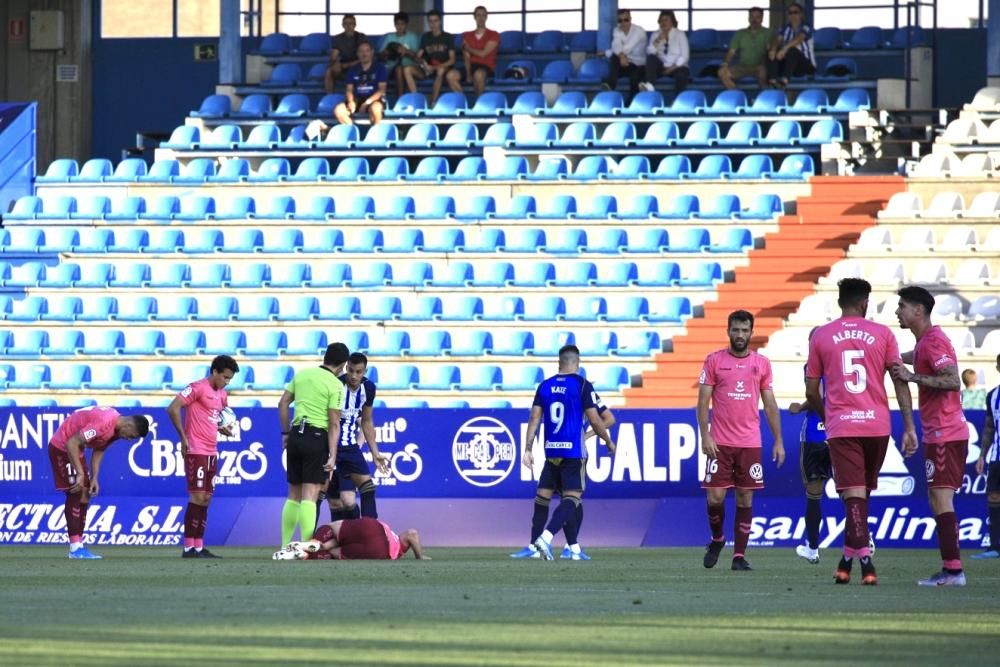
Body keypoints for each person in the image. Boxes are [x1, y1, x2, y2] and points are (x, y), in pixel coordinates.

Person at [805, 278, 917, 586]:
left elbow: (811, 390)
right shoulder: (883, 334)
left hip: (844, 426)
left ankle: (863, 559)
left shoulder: (822, 336)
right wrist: (908, 425)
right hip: (878, 425)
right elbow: (899, 380)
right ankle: (849, 562)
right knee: (862, 494)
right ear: (865, 302)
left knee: (853, 495)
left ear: (840, 301)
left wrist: (828, 415)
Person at [890, 285, 970, 586]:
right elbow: (918, 355)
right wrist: (893, 356)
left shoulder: (934, 341)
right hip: (940, 433)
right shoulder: (926, 342)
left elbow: (952, 379)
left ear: (918, 311)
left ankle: (953, 571)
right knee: (938, 498)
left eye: (902, 306)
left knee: (941, 497)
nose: (898, 311)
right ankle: (951, 568)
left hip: (946, 433)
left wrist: (913, 377)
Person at [698, 310, 785, 571]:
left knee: (745, 498)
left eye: (745, 330)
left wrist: (778, 440)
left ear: (751, 332)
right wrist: (705, 435)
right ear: (728, 331)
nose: (739, 335)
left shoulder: (762, 364)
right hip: (720, 443)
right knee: (714, 497)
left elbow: (770, 405)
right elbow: (702, 402)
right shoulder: (714, 361)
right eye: (735, 330)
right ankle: (717, 539)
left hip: (750, 443)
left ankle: (739, 555)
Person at [514, 344, 616, 561]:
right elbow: (598, 419)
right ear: (577, 364)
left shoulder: (545, 385)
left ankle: (572, 547)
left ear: (559, 362)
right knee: (572, 498)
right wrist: (607, 441)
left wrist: (528, 449)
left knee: (543, 496)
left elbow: (534, 419)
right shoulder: (582, 385)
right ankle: (545, 539)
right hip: (573, 452)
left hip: (551, 451)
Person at [47, 407, 149, 559]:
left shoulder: (115, 431)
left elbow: (99, 450)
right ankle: (75, 548)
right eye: (131, 436)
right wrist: (81, 473)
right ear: (129, 425)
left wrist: (95, 477)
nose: (129, 439)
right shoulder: (104, 423)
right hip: (62, 447)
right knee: (77, 491)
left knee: (85, 496)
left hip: (75, 449)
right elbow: (72, 442)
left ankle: (79, 546)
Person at [166, 355, 239, 559]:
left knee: (206, 498)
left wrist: (222, 429)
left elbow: (216, 419)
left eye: (229, 379)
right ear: (214, 371)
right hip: (196, 449)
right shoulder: (197, 387)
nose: (226, 382)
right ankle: (188, 547)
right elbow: (172, 408)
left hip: (211, 450)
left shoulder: (222, 395)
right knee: (197, 496)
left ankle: (198, 546)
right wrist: (183, 437)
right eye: (224, 377)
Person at [277, 343, 347, 546]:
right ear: (342, 365)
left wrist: (285, 433)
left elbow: (282, 403)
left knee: (293, 494)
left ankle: (284, 545)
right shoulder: (335, 385)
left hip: (296, 435)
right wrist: (332, 455)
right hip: (316, 437)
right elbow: (334, 422)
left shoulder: (302, 374)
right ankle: (305, 545)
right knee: (311, 494)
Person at [326, 352, 390, 522]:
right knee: (334, 503)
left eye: (358, 372)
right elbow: (329, 421)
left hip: (349, 447)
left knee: (362, 491)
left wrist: (375, 452)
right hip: (328, 447)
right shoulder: (335, 385)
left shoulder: (368, 388)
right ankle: (338, 540)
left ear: (364, 371)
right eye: (351, 370)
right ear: (346, 368)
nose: (354, 376)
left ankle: (370, 532)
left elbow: (367, 421)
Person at [788, 328, 830, 565]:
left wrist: (800, 408)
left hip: (816, 434)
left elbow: (817, 395)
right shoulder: (839, 362)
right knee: (851, 493)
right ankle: (864, 539)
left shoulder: (812, 364)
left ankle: (812, 547)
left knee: (814, 493)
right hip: (842, 432)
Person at [273, 517, 428, 560]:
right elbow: (412, 534)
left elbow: (411, 533)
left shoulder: (391, 533)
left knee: (331, 529)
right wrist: (420, 557)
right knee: (331, 551)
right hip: (378, 551)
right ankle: (301, 553)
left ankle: (306, 545)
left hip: (372, 526)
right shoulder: (397, 549)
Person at [972, 354, 1000, 559]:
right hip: (997, 457)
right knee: (993, 496)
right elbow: (989, 427)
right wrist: (982, 454)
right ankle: (995, 546)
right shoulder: (993, 395)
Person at [446, 5, 500, 98]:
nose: (481, 18)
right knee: (450, 75)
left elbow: (483, 54)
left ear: (486, 17)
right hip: (471, 66)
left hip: (486, 67)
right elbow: (466, 55)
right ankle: (464, 102)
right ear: (474, 17)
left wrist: (469, 48)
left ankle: (478, 104)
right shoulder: (467, 35)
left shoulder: (494, 34)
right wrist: (468, 74)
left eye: (483, 15)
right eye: (478, 15)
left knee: (478, 74)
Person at [404, 10, 456, 105]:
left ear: (440, 21)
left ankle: (433, 102)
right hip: (428, 68)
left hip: (443, 69)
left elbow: (452, 60)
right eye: (430, 21)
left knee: (440, 70)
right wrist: (423, 64)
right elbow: (418, 56)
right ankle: (416, 100)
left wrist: (435, 67)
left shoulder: (447, 37)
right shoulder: (425, 37)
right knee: (407, 69)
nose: (433, 24)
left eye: (435, 21)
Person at [333, 41, 387, 126]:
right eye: (361, 51)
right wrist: (350, 102)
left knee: (375, 109)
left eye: (367, 51)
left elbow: (381, 90)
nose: (364, 54)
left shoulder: (380, 68)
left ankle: (374, 134)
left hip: (373, 100)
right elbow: (349, 89)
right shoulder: (352, 70)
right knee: (338, 110)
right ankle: (352, 131)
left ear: (372, 52)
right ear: (357, 53)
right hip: (356, 100)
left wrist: (367, 103)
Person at [718, 6, 769, 89]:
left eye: (757, 17)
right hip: (743, 67)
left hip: (760, 67)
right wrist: (725, 63)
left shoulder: (768, 32)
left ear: (762, 18)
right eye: (751, 17)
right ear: (748, 18)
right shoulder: (740, 33)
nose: (754, 20)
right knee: (722, 72)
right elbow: (731, 52)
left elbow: (771, 49)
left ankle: (765, 99)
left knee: (763, 72)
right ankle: (738, 96)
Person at [767, 2, 816, 88]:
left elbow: (798, 39)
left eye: (795, 12)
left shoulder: (806, 27)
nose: (792, 15)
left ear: (801, 14)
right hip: (789, 65)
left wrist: (784, 49)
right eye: (790, 13)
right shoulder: (784, 28)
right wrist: (773, 49)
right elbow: (777, 40)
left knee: (792, 50)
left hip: (805, 65)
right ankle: (773, 80)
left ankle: (784, 80)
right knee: (771, 52)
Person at [639, 10, 689, 93]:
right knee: (651, 59)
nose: (663, 23)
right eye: (661, 20)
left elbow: (685, 56)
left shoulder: (680, 34)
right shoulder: (656, 34)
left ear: (672, 22)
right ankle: (649, 86)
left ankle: (678, 100)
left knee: (682, 74)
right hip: (662, 67)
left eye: (666, 20)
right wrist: (658, 40)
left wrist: (672, 68)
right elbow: (650, 52)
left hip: (676, 67)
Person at [602, 8, 647, 99]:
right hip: (625, 63)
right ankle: (610, 85)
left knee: (635, 78)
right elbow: (616, 46)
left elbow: (629, 47)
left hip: (639, 64)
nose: (623, 23)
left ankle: (632, 102)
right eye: (620, 21)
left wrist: (620, 55)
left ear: (630, 19)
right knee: (614, 57)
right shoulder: (617, 30)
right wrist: (621, 56)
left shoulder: (639, 31)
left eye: (626, 20)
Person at [379, 11, 420, 97]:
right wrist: (387, 52)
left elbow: (417, 58)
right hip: (391, 69)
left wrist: (406, 51)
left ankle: (401, 98)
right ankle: (400, 98)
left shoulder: (412, 37)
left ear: (406, 24)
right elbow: (380, 56)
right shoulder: (390, 37)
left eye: (402, 24)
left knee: (401, 69)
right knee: (398, 69)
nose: (400, 26)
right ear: (394, 24)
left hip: (409, 68)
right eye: (397, 24)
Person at [324, 14, 367, 94]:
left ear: (355, 25)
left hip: (358, 67)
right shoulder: (338, 38)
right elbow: (334, 56)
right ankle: (329, 97)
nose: (349, 26)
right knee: (329, 71)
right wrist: (335, 63)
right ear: (342, 25)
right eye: (346, 24)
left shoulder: (361, 37)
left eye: (351, 23)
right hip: (343, 68)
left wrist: (345, 65)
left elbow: (364, 58)